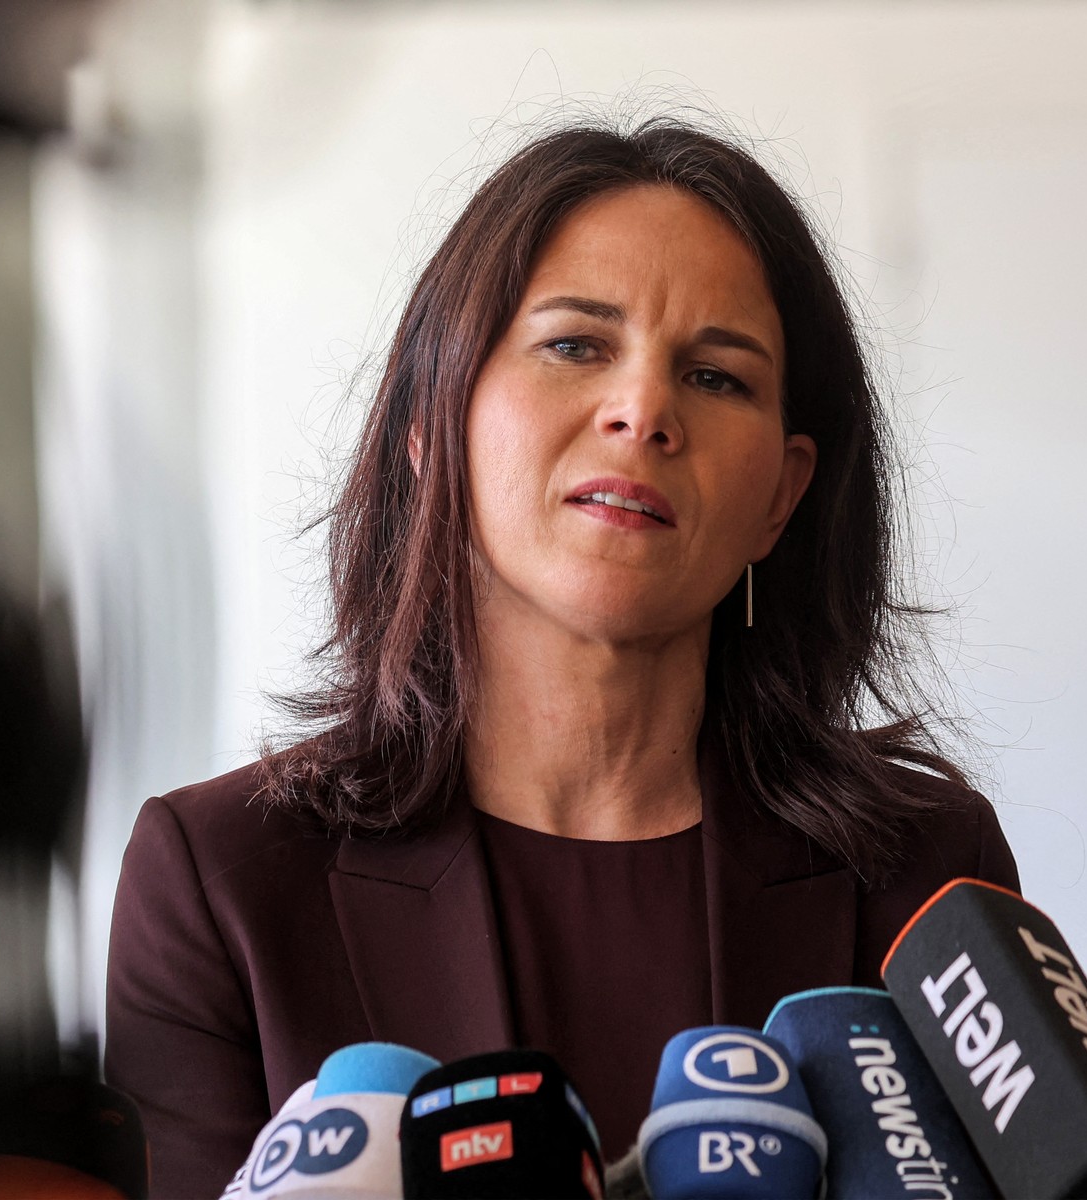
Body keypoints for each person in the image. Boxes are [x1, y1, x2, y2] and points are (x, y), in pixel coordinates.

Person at [104, 119, 1018, 1199]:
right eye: (577, 345)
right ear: (434, 421)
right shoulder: (218, 883)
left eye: (718, 377)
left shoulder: (924, 877)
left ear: (781, 492)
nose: (642, 413)